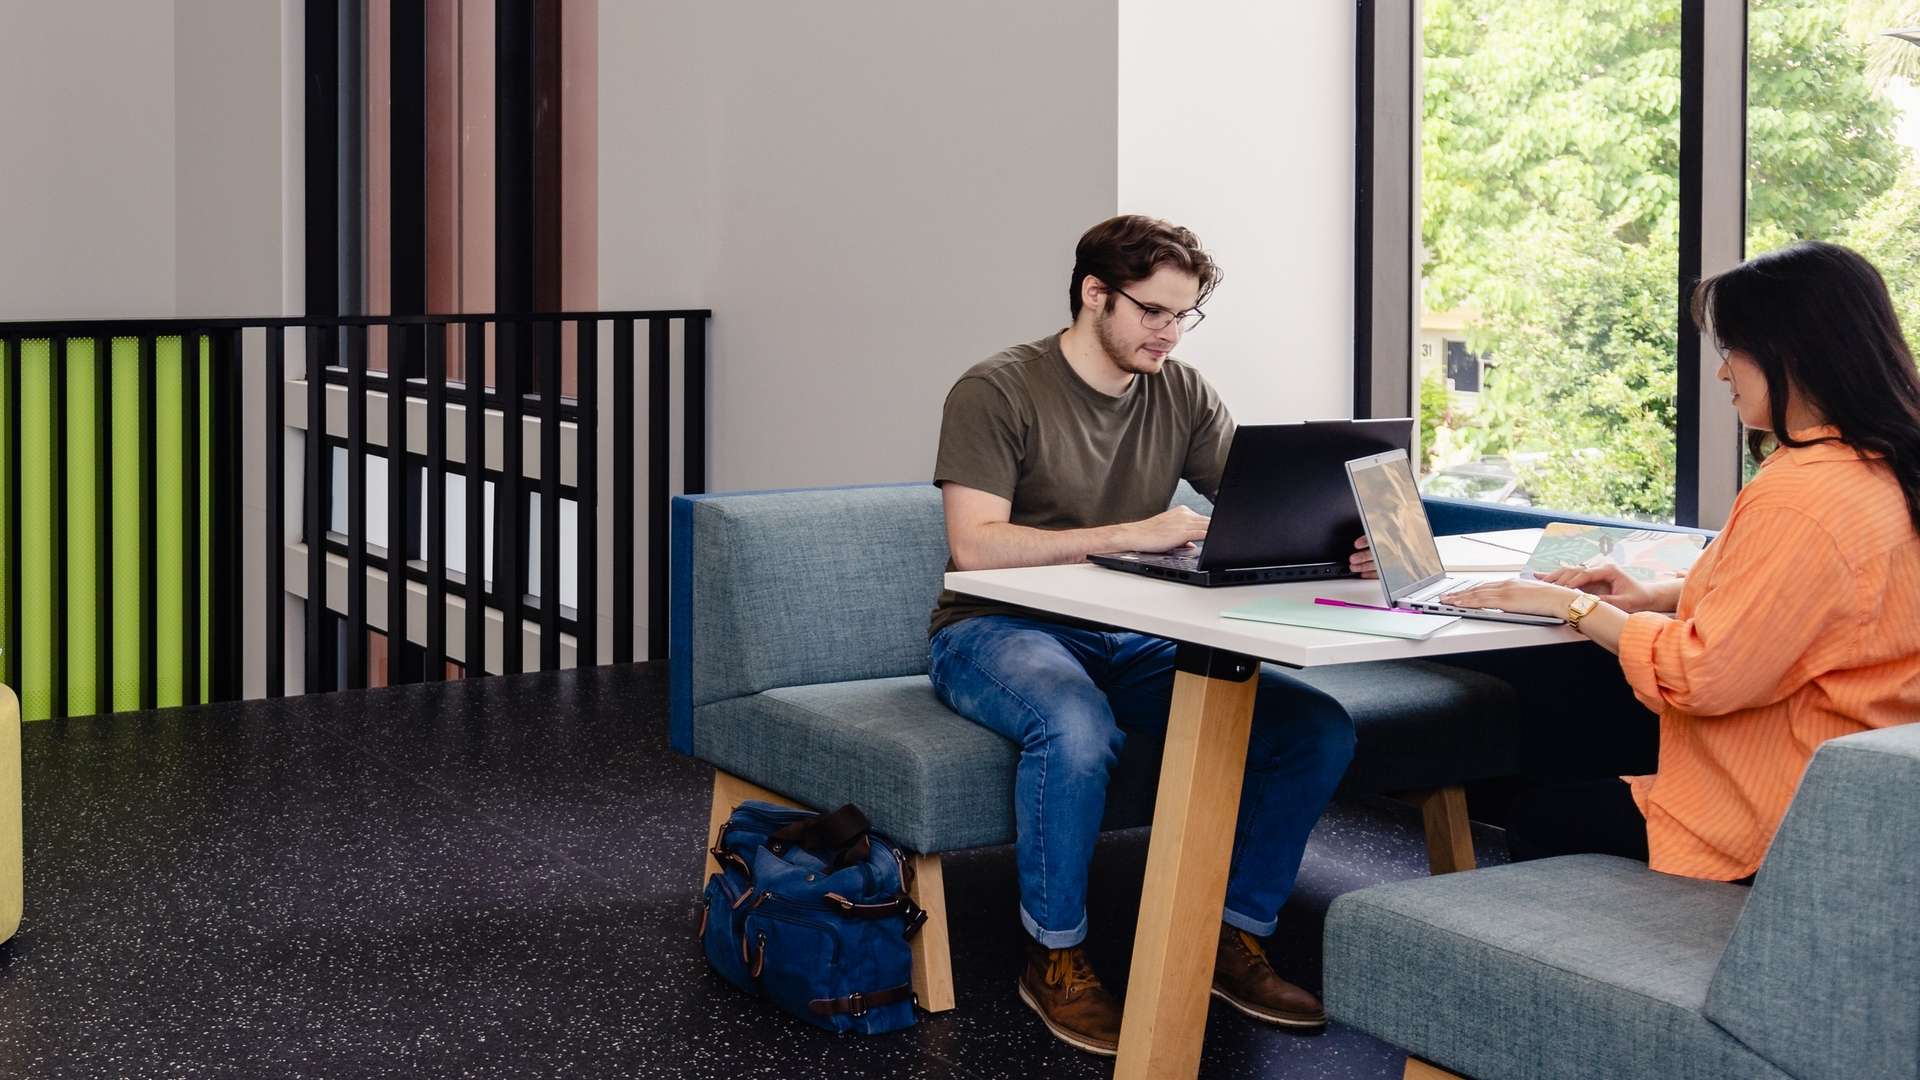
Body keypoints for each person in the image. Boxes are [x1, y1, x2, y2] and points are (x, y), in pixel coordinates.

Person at [927, 215, 1362, 1055]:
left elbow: (1253, 504)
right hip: (998, 629)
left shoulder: (1183, 391)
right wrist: (1131, 533)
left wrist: (1341, 536)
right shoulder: (997, 389)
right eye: (1153, 312)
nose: (1169, 332)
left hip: (1130, 636)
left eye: (1184, 315)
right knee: (1074, 727)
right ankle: (1052, 956)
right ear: (1096, 295)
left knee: (1313, 730)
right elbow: (974, 546)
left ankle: (1225, 935)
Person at [1438, 240, 1920, 882]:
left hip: (1773, 811)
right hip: (1860, 792)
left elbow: (1702, 675)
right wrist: (1652, 595)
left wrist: (1571, 606)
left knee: (1546, 806)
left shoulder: (1802, 495)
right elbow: (1820, 596)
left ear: (1794, 353)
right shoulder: (1884, 466)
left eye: (1733, 352)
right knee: (1580, 722)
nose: (1723, 374)